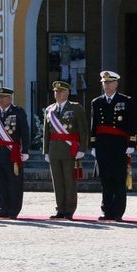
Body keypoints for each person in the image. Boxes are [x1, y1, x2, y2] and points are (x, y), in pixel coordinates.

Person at [90, 71, 137, 221]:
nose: (107, 86)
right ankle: (107, 211)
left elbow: (133, 123)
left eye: (109, 83)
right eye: (104, 83)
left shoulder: (126, 100)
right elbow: (94, 125)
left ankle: (118, 212)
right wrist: (93, 144)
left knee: (118, 179)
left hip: (119, 145)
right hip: (103, 145)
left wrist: (132, 142)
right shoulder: (96, 102)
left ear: (116, 84)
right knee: (105, 179)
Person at [43, 80, 88, 220]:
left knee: (69, 181)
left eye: (61, 91)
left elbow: (83, 130)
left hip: (70, 149)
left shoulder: (76, 108)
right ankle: (60, 209)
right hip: (54, 149)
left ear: (67, 93)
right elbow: (46, 133)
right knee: (57, 181)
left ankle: (69, 209)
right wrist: (46, 151)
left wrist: (82, 148)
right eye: (56, 91)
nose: (58, 94)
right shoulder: (49, 109)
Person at [0, 87, 30, 219]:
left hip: (13, 153)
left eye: (3, 97)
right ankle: (2, 208)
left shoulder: (18, 112)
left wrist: (25, 150)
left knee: (14, 182)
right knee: (0, 183)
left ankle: (13, 210)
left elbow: (24, 132)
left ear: (10, 98)